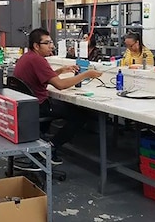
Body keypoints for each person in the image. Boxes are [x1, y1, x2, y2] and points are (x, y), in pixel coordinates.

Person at [14, 28, 103, 163]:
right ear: (36, 46)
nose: (52, 46)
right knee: (80, 115)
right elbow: (60, 85)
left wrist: (61, 70)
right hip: (39, 105)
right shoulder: (39, 60)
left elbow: (44, 77)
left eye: (51, 42)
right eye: (47, 43)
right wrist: (85, 74)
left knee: (63, 108)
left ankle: (40, 143)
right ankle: (51, 146)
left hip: (28, 105)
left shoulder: (27, 57)